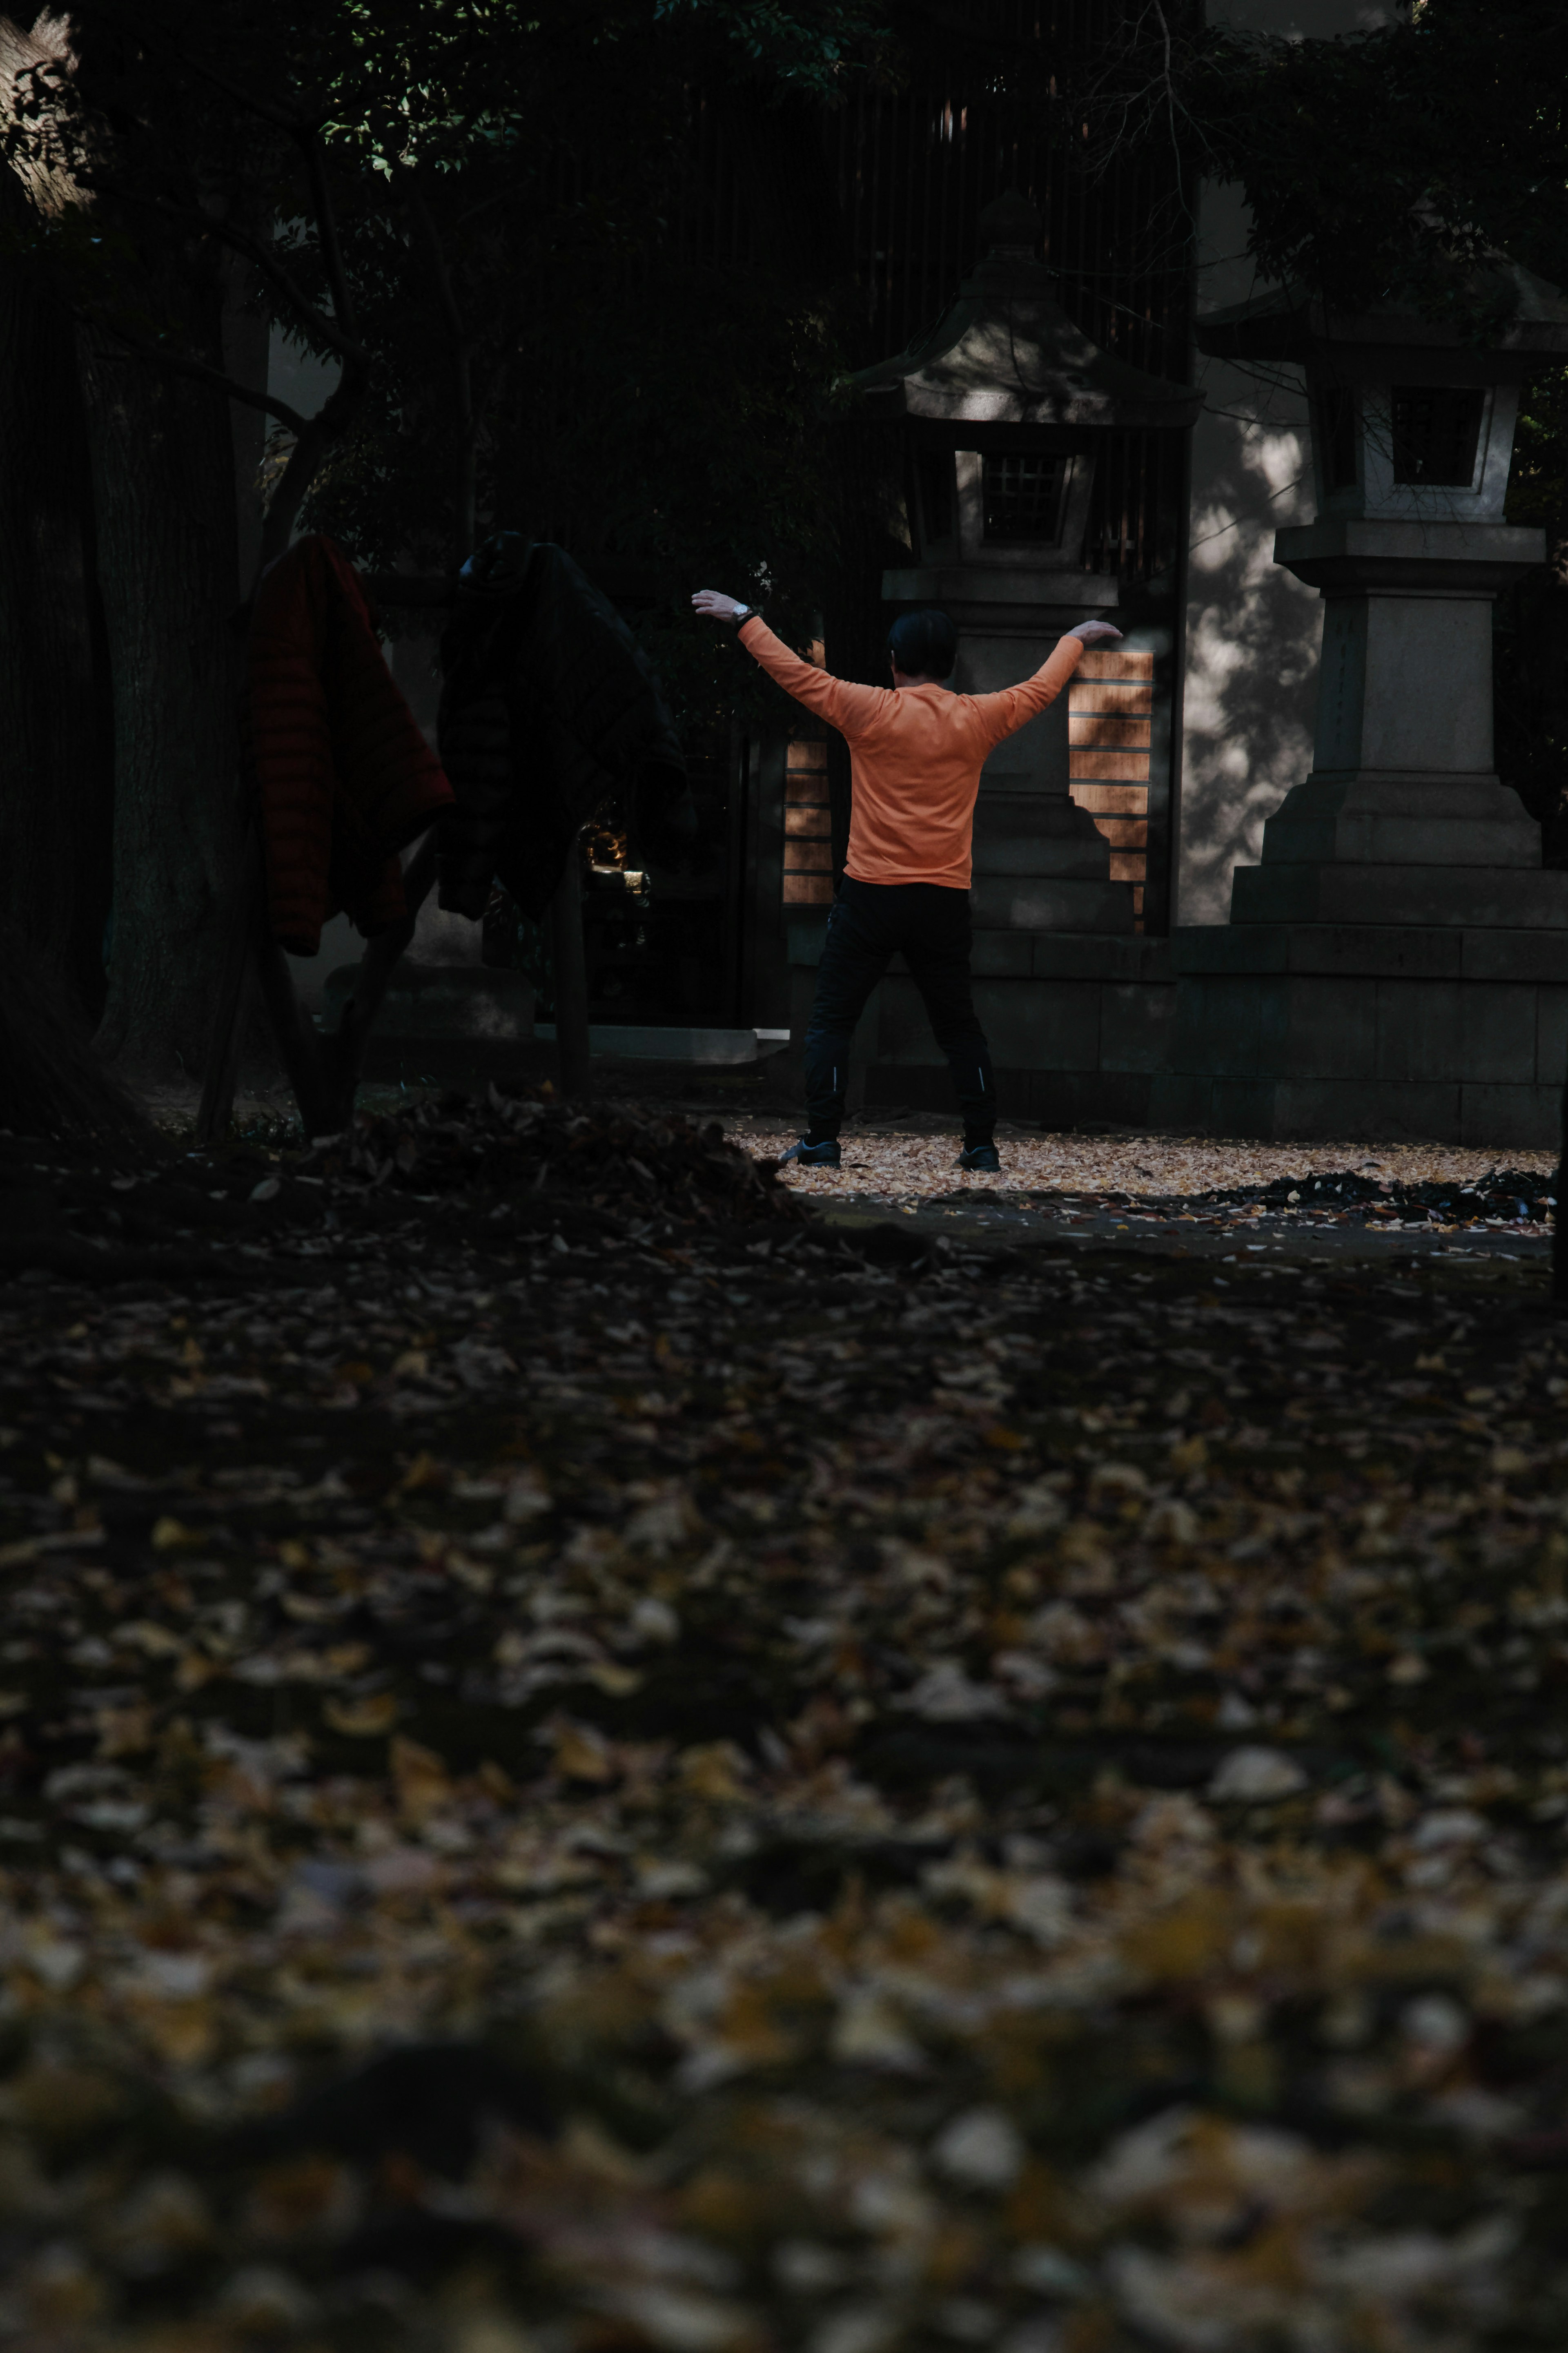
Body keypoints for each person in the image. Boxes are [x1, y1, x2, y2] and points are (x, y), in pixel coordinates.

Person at [691, 591, 1123, 1169]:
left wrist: (746, 619)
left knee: (832, 1022)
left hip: (870, 894)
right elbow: (1040, 690)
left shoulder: (867, 707)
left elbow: (795, 674)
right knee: (959, 1027)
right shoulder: (978, 717)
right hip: (941, 899)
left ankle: (822, 1139)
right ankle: (981, 1145)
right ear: (949, 663)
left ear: (894, 660)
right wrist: (1075, 639)